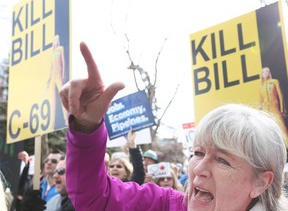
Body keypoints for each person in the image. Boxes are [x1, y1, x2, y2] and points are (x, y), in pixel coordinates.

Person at [60, 42, 288, 210]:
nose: (198, 169)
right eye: (198, 153)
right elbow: (95, 197)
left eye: (222, 160)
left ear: (261, 182)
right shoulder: (168, 205)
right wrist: (86, 126)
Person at [259, 66, 288, 147]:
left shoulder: (274, 82)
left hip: (274, 108)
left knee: (282, 128)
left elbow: (280, 95)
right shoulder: (260, 86)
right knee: (268, 131)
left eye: (266, 72)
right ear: (261, 74)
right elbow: (260, 101)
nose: (265, 74)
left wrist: (282, 108)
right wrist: (260, 112)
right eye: (263, 72)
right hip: (265, 111)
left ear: (269, 73)